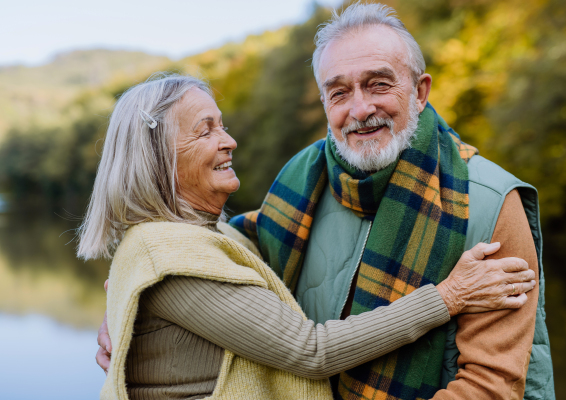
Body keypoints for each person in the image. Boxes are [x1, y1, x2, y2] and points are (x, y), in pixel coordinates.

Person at [84, 74, 536, 400]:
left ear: (420, 91)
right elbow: (311, 350)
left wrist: (123, 296)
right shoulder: (164, 254)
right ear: (157, 158)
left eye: (222, 124)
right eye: (206, 129)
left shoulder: (195, 239)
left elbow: (245, 238)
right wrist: (448, 296)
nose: (230, 140)